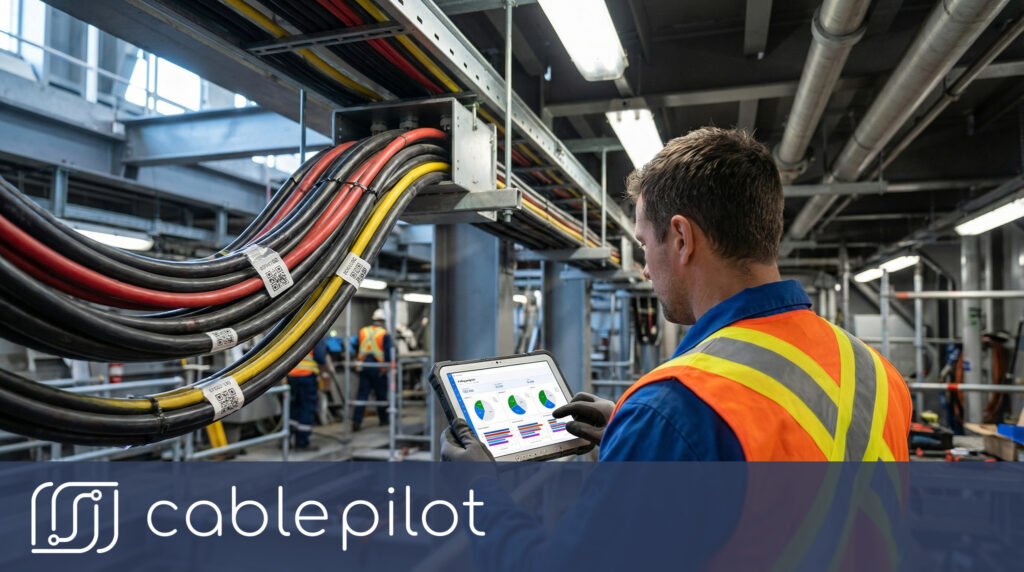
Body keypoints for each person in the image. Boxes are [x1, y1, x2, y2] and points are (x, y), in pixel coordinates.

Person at [443, 127, 912, 462]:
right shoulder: (873, 370)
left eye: (646, 244)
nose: (644, 268)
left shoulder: (674, 408)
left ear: (683, 239)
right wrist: (629, 436)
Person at [351, 308, 393, 432]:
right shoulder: (384, 333)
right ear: (382, 321)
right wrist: (387, 366)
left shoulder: (363, 331)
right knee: (381, 395)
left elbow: (354, 344)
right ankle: (383, 420)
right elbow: (388, 353)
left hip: (363, 367)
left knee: (362, 394)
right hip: (378, 368)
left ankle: (356, 421)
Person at [287, 337, 329, 451]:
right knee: (307, 408)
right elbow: (320, 357)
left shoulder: (294, 333)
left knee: (293, 407)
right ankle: (302, 442)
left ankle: (286, 439)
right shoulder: (315, 333)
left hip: (292, 375)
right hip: (307, 376)